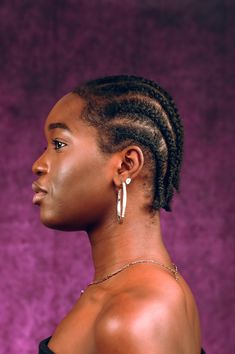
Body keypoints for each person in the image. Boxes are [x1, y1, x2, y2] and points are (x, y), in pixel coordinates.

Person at [32, 75, 205, 354]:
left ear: (126, 165)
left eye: (59, 144)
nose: (38, 165)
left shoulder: (133, 315)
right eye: (45, 147)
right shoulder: (157, 289)